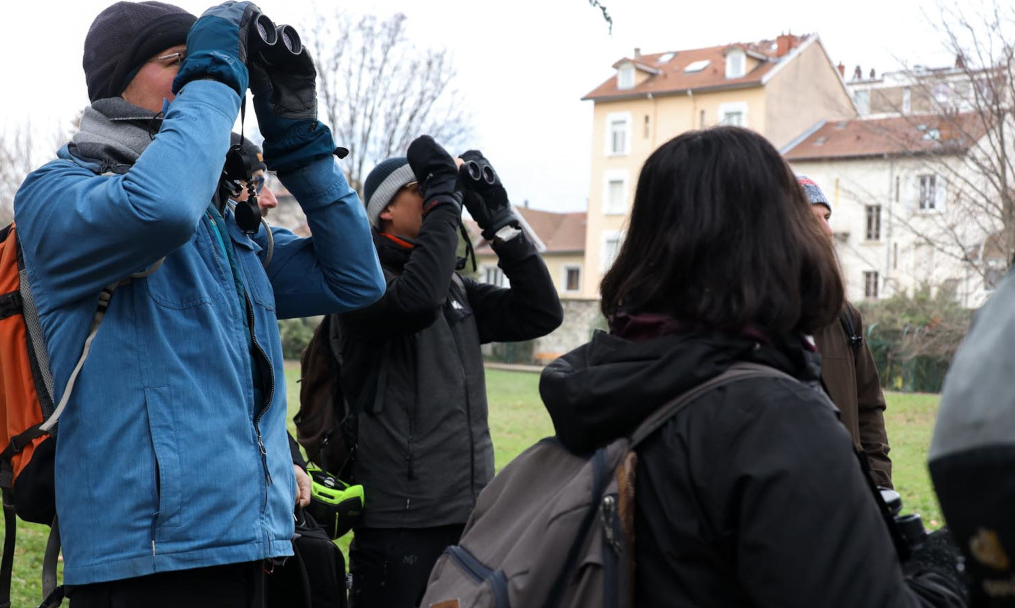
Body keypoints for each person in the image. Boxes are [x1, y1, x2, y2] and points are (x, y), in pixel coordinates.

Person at [12, 0, 384, 606]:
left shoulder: (223, 224)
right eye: (176, 62)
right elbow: (159, 208)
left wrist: (299, 145)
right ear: (117, 82)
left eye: (203, 65)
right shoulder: (58, 194)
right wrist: (212, 78)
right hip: (144, 561)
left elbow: (355, 279)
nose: (196, 76)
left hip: (249, 541)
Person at [538, 127, 967, 607]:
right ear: (771, 238)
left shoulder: (609, 373)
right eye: (800, 217)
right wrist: (953, 561)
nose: (820, 232)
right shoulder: (774, 418)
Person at [338, 137, 564, 608]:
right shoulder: (361, 281)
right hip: (401, 523)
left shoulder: (455, 289)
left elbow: (541, 312)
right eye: (423, 191)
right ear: (385, 211)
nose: (440, 200)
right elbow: (416, 299)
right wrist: (445, 190)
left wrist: (496, 216)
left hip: (471, 513)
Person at [797, 174, 894, 488]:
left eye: (827, 218)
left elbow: (869, 409)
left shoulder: (844, 316)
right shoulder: (753, 320)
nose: (827, 230)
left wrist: (878, 484)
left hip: (852, 500)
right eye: (813, 219)